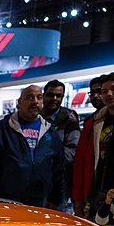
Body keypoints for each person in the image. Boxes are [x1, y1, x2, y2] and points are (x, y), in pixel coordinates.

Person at [0, 84, 64, 208]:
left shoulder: (51, 133)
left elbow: (59, 170)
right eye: (30, 97)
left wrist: (55, 201)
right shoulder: (0, 130)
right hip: (5, 201)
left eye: (39, 97)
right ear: (20, 102)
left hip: (41, 203)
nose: (35, 102)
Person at [41, 79, 81, 209]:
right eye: (50, 94)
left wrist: (43, 156)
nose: (54, 99)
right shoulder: (35, 116)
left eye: (58, 96)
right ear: (43, 95)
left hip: (59, 181)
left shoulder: (69, 119)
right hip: (35, 180)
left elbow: (73, 152)